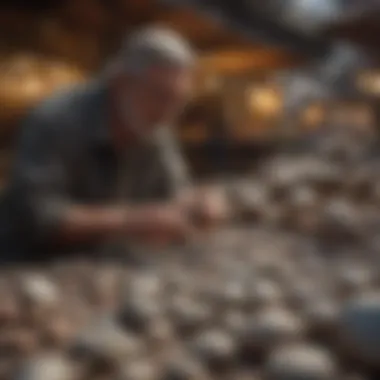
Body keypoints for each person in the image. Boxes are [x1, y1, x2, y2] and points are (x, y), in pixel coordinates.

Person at [0, 27, 228, 261]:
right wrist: (134, 221)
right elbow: (39, 218)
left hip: (97, 265)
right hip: (23, 265)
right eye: (160, 95)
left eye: (178, 101)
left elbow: (173, 194)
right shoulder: (57, 122)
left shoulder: (154, 130)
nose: (168, 113)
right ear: (121, 83)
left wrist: (197, 204)